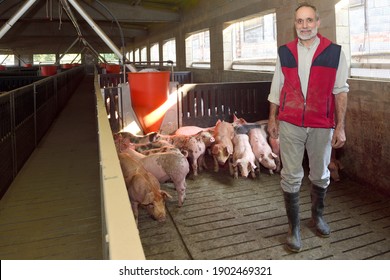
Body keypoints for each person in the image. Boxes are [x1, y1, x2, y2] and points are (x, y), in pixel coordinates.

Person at [267, 2, 349, 252]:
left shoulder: (335, 53)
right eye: (300, 21)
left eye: (309, 20)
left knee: (320, 173)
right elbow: (276, 87)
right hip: (291, 122)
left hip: (322, 123)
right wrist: (272, 118)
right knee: (291, 175)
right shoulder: (285, 52)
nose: (304, 26)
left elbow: (341, 91)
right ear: (295, 24)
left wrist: (340, 127)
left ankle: (318, 216)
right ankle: (293, 228)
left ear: (317, 22)